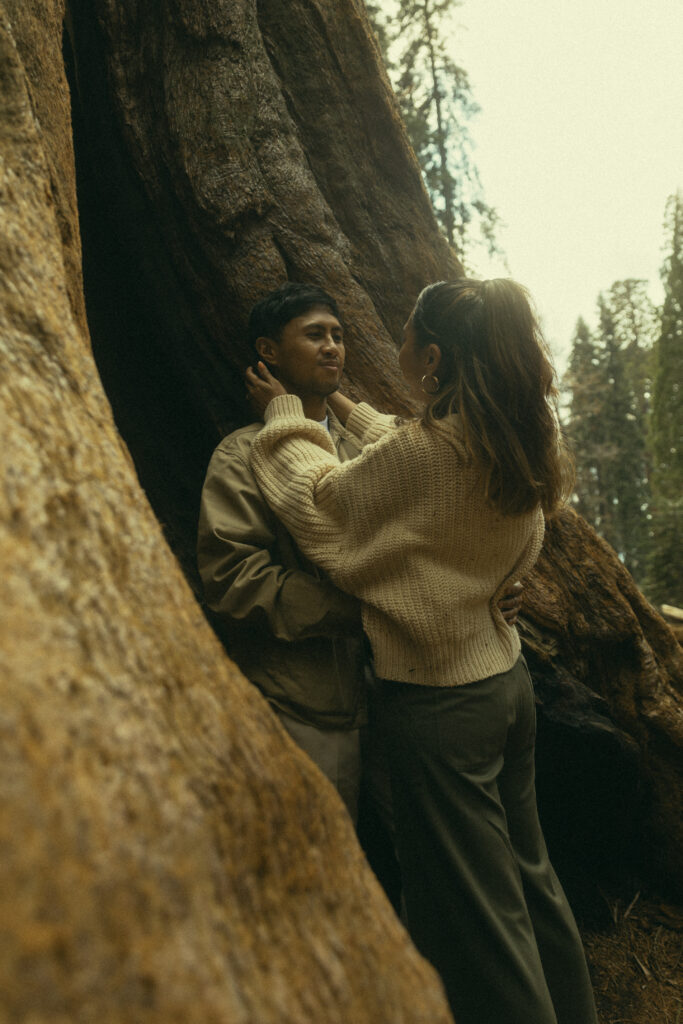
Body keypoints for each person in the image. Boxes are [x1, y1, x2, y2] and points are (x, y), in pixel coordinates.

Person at [246, 278, 598, 1024]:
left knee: (478, 924)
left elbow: (323, 504)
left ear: (431, 357)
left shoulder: (424, 454)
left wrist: (283, 415)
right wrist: (342, 409)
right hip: (505, 687)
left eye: (405, 337)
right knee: (530, 886)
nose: (383, 345)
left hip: (440, 708)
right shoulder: (510, 433)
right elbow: (428, 476)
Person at [197, 281, 522, 836]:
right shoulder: (243, 456)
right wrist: (365, 615)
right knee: (323, 851)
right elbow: (234, 577)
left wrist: (489, 586)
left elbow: (443, 531)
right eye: (314, 335)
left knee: (422, 858)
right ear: (268, 352)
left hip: (403, 696)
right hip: (307, 701)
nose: (334, 348)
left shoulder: (370, 453)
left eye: (339, 336)